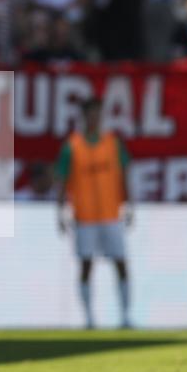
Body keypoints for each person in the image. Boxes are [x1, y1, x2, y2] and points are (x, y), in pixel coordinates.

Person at [55, 97, 133, 329]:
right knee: (86, 265)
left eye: (98, 113)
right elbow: (62, 179)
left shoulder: (112, 143)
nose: (94, 118)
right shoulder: (73, 145)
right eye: (91, 114)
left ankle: (125, 317)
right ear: (84, 116)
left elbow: (124, 173)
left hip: (111, 213)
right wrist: (60, 210)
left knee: (120, 263)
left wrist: (129, 204)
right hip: (85, 216)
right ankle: (89, 318)